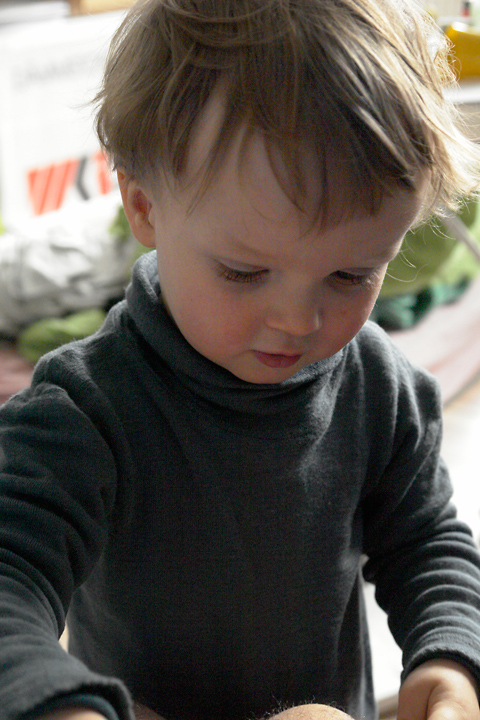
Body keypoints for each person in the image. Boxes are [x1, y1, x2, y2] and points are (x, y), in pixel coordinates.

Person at [2, 0, 480, 719]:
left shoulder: (381, 389)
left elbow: (429, 542)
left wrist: (450, 665)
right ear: (144, 207)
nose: (299, 320)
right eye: (243, 271)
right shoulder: (84, 408)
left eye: (351, 274)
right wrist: (63, 706)